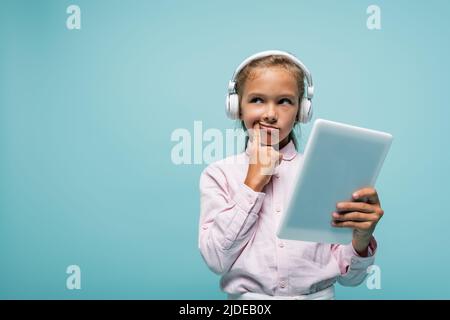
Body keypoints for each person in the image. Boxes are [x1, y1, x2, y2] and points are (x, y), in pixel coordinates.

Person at [198, 50, 384, 300]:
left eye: (284, 101)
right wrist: (253, 183)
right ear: (236, 108)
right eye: (257, 100)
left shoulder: (325, 171)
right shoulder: (219, 175)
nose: (270, 113)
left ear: (301, 111)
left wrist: (361, 240)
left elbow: (351, 278)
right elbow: (216, 260)